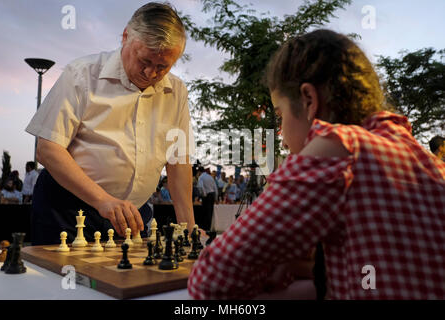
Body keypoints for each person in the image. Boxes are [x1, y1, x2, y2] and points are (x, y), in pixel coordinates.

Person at [188, 29, 445, 300]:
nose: (282, 138)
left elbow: (210, 283)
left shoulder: (339, 147)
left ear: (309, 100)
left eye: (280, 115)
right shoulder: (422, 157)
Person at [25, 3, 196, 245]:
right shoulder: (81, 74)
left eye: (162, 66)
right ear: (126, 36)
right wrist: (103, 200)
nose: (150, 73)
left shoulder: (177, 91)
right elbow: (48, 149)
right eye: (144, 60)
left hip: (133, 217)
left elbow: (178, 162)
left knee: (130, 280)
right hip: (68, 212)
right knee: (65, 281)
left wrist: (188, 227)